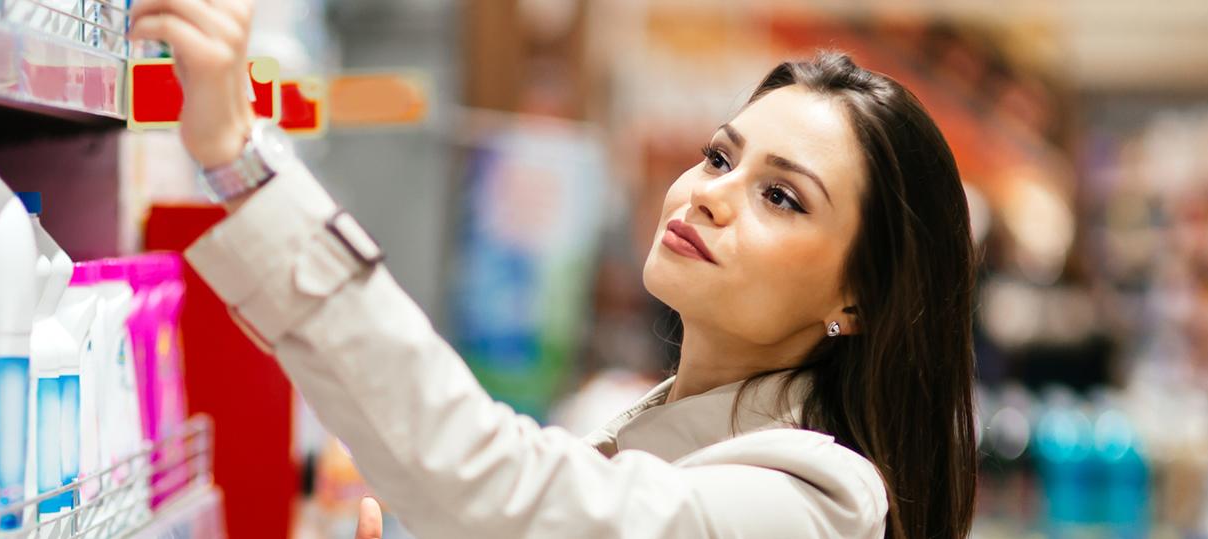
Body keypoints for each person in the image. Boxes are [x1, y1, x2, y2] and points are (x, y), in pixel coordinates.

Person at [128, 1, 979, 537]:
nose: (713, 195)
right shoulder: (630, 434)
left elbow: (493, 483)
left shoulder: (815, 503)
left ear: (857, 297)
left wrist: (242, 161)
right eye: (721, 157)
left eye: (782, 197)